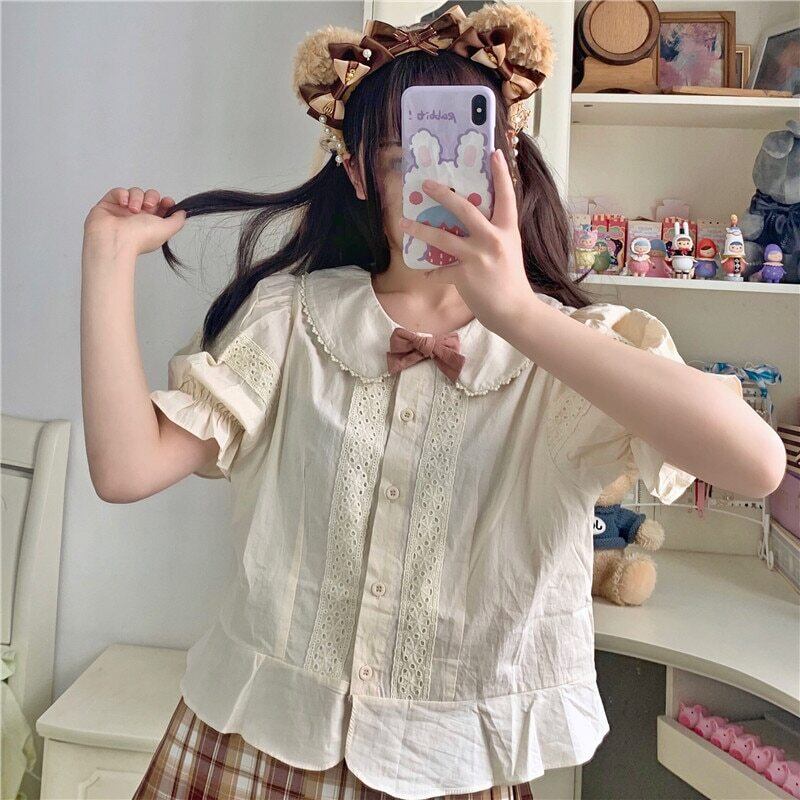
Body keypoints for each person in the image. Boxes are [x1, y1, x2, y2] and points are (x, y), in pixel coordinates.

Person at [80, 5, 785, 800]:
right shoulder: (290, 321)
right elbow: (125, 469)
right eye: (403, 158)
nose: (440, 183)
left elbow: (756, 465)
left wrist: (517, 314)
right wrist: (106, 259)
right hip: (252, 742)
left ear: (506, 161)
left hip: (451, 770)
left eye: (465, 152)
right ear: (357, 175)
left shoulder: (569, 353)